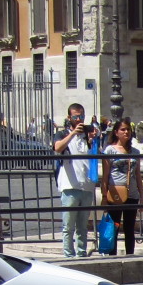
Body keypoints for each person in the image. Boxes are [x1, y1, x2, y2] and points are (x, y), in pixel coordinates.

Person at [52, 102, 98, 258]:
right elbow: (57, 148)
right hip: (70, 186)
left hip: (87, 186)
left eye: (82, 116)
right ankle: (69, 255)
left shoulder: (88, 133)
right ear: (69, 117)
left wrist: (93, 139)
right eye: (76, 117)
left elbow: (96, 153)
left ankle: (82, 253)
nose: (79, 120)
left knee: (83, 226)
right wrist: (72, 134)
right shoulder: (62, 133)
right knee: (68, 226)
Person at [101, 117, 142, 256]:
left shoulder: (135, 152)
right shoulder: (110, 150)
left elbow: (138, 175)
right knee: (115, 226)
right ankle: (112, 255)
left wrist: (142, 197)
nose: (126, 132)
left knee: (130, 228)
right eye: (123, 129)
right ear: (116, 132)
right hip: (115, 192)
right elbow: (105, 175)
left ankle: (130, 254)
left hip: (132, 194)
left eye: (128, 130)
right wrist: (104, 195)